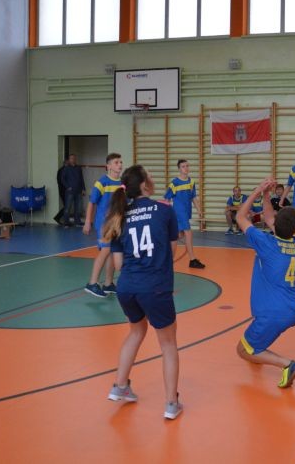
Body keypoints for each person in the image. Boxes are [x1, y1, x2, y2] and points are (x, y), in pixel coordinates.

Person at [102, 165, 183, 420]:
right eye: (150, 174)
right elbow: (171, 251)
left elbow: (118, 265)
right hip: (155, 286)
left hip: (127, 287)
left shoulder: (120, 215)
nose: (153, 176)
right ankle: (171, 403)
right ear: (145, 184)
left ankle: (120, 386)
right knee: (168, 344)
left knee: (136, 331)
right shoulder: (165, 210)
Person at [235, 177, 295, 389]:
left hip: (275, 312)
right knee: (256, 342)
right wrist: (267, 195)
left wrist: (258, 190)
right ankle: (260, 350)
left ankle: (287, 365)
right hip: (294, 306)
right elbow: (268, 217)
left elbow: (240, 217)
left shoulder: (266, 243)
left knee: (242, 350)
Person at [83, 153, 124, 298]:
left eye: (120, 162)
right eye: (116, 162)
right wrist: (88, 221)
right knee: (106, 250)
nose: (120, 165)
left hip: (116, 223)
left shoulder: (122, 184)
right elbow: (92, 203)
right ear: (108, 166)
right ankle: (92, 283)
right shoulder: (102, 182)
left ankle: (108, 284)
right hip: (103, 223)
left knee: (113, 251)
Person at [164, 159, 205, 269]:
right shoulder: (174, 183)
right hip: (178, 212)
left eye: (187, 166)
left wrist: (199, 210)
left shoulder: (191, 182)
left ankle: (164, 252)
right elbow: (167, 199)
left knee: (178, 235)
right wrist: (166, 214)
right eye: (183, 166)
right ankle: (192, 260)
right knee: (188, 233)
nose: (186, 168)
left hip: (187, 212)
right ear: (179, 169)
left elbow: (193, 197)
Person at [61, 154, 85, 227]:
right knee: (67, 208)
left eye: (74, 158)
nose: (73, 159)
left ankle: (77, 222)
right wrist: (68, 187)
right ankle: (66, 223)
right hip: (70, 192)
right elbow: (62, 179)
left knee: (78, 208)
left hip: (78, 191)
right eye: (71, 158)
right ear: (69, 160)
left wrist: (83, 189)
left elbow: (81, 179)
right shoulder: (66, 168)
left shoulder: (78, 168)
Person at [53, 156, 67, 225]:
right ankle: (58, 217)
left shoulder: (61, 170)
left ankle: (60, 218)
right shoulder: (63, 170)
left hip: (62, 190)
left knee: (67, 206)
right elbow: (61, 181)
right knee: (67, 206)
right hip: (64, 191)